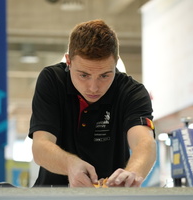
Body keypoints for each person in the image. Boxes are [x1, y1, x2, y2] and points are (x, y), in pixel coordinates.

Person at [28, 19, 156, 187]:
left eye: (104, 75)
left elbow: (144, 142)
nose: (94, 87)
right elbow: (40, 146)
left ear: (116, 62)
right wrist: (70, 165)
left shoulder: (132, 92)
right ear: (68, 61)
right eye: (84, 75)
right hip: (52, 194)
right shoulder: (52, 81)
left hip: (111, 196)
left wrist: (133, 173)